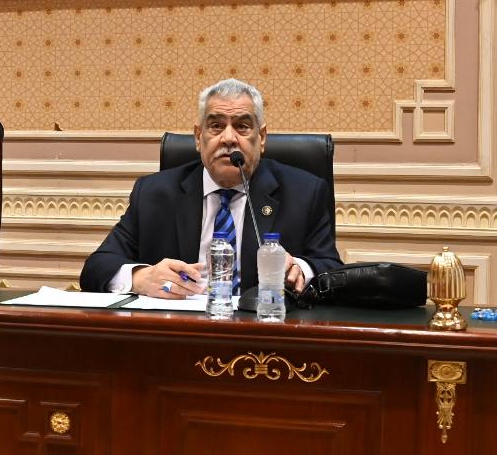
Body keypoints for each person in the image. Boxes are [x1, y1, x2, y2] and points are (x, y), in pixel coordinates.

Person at [81, 78, 343, 298]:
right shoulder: (153, 194)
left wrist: (300, 269)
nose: (228, 138)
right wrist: (141, 278)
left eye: (242, 126)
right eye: (216, 126)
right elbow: (97, 267)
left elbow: (332, 268)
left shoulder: (304, 192)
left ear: (261, 138)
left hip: (264, 331)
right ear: (198, 137)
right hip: (179, 333)